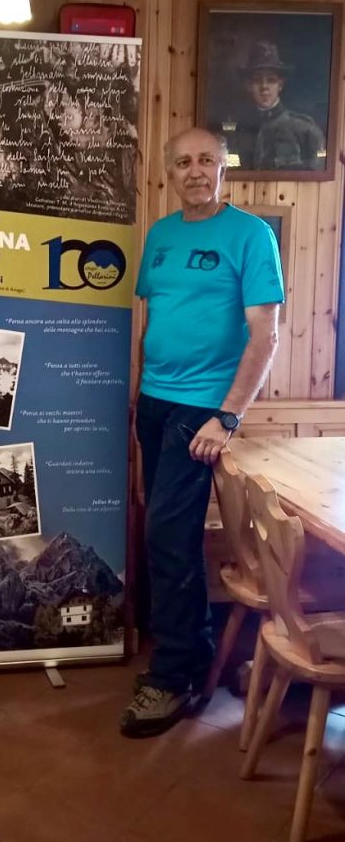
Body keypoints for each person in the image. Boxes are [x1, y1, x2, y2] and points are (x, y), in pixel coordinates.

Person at [120, 127, 284, 738]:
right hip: (157, 405)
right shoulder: (160, 237)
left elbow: (265, 336)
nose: (195, 171)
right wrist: (138, 395)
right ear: (170, 172)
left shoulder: (250, 235)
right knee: (165, 535)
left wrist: (228, 416)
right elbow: (153, 321)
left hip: (202, 413)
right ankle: (191, 655)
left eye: (206, 161)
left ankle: (174, 677)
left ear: (224, 170)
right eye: (184, 161)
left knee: (167, 535)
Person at [234, 41, 325, 171]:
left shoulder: (305, 129)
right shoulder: (241, 131)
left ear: (280, 85)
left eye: (271, 80)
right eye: (257, 80)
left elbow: (318, 173)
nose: (264, 87)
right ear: (249, 86)